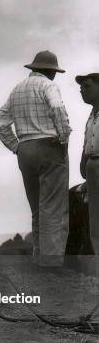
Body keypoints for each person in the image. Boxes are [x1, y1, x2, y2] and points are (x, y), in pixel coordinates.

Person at [0, 50, 71, 269]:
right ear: (50, 71)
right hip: (49, 145)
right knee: (53, 207)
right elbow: (58, 110)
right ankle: (52, 261)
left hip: (25, 148)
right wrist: (63, 137)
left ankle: (38, 257)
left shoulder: (17, 89)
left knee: (37, 207)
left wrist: (15, 146)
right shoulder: (48, 85)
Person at [76, 72, 99, 255]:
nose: (82, 91)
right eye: (81, 88)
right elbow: (86, 143)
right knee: (95, 217)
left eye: (87, 86)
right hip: (92, 166)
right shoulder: (91, 116)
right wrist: (84, 165)